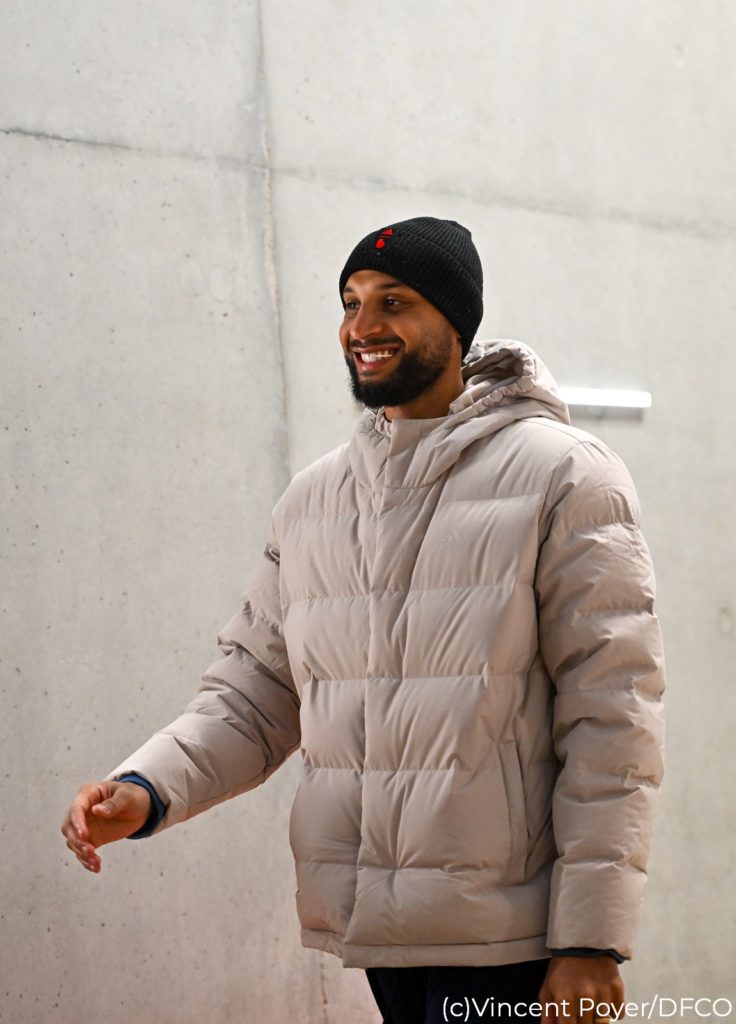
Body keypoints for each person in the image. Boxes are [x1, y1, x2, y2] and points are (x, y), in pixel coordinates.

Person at [62, 217, 665, 1024]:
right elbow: (254, 693)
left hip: (515, 940)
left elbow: (612, 721)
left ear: (456, 321)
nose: (362, 326)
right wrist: (147, 789)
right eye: (350, 302)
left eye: (394, 302)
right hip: (380, 935)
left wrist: (591, 939)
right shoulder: (314, 500)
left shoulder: (564, 475)